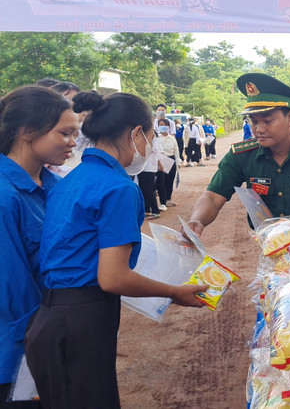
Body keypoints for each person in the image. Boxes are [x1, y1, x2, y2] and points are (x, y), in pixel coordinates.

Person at [25, 91, 206, 408]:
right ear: (136, 133)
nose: (150, 146)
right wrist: (174, 291)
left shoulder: (71, 179)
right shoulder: (119, 188)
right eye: (150, 136)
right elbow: (112, 277)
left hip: (51, 318)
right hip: (84, 321)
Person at [186, 73, 290, 236]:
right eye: (253, 122)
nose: (259, 129)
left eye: (267, 121)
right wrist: (197, 220)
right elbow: (213, 196)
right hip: (268, 247)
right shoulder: (241, 156)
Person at [0, 86, 77, 408]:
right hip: (20, 347)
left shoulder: (57, 187)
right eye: (65, 133)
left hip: (55, 334)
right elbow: (12, 292)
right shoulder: (6, 197)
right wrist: (45, 341)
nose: (74, 142)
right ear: (27, 131)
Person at [155, 118, 179, 209]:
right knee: (161, 181)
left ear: (169, 127)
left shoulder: (172, 138)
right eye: (161, 125)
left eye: (165, 125)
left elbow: (176, 151)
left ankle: (168, 199)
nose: (163, 127)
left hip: (171, 159)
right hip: (161, 160)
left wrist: (178, 162)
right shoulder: (156, 138)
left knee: (170, 180)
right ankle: (163, 201)